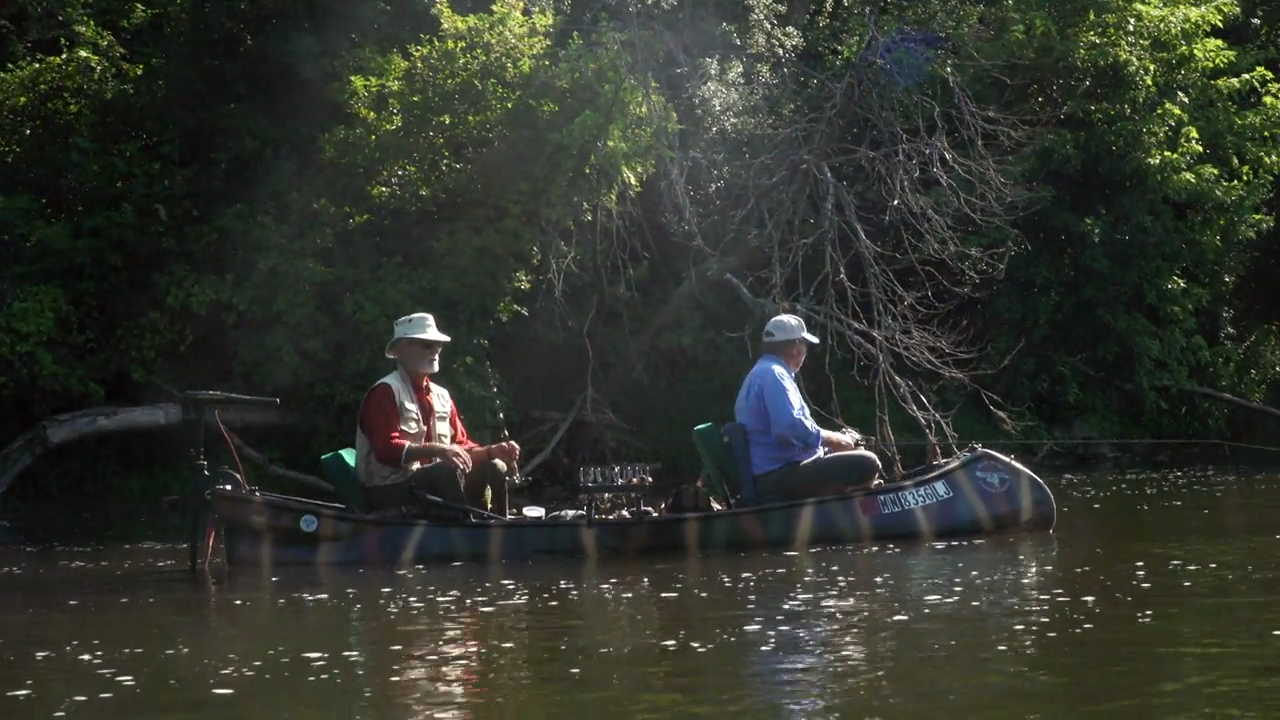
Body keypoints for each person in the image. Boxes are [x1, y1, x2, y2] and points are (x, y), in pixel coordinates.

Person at [355, 312, 520, 518]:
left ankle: (499, 525)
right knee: (446, 471)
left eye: (438, 345)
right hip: (388, 489)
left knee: (495, 466)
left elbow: (460, 446)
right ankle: (463, 528)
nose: (435, 351)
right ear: (401, 349)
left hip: (430, 483)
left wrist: (491, 451)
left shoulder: (441, 395)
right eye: (427, 345)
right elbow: (386, 450)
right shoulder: (384, 392)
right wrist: (439, 450)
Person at [733, 313, 882, 502]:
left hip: (775, 472)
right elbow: (788, 429)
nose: (805, 352)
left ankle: (847, 496)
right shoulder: (774, 375)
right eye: (805, 345)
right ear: (795, 348)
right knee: (868, 462)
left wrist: (832, 445)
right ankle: (848, 505)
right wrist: (835, 439)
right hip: (780, 475)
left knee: (855, 453)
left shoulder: (761, 373)